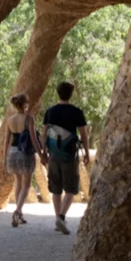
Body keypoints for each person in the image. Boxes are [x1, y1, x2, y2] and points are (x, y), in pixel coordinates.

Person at [42, 81, 91, 235]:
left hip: (54, 154)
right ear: (71, 94)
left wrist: (43, 152)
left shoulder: (50, 112)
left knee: (56, 188)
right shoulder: (77, 112)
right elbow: (83, 135)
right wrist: (87, 154)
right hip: (69, 155)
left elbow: (44, 133)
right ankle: (62, 217)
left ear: (58, 93)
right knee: (70, 188)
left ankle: (58, 218)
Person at [2, 92, 47, 227]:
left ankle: (19, 214)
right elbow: (34, 139)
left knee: (18, 183)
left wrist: (5, 158)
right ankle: (17, 211)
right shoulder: (29, 119)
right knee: (26, 186)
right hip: (25, 154)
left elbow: (6, 141)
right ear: (25, 104)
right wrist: (41, 154)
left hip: (13, 153)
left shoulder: (10, 120)